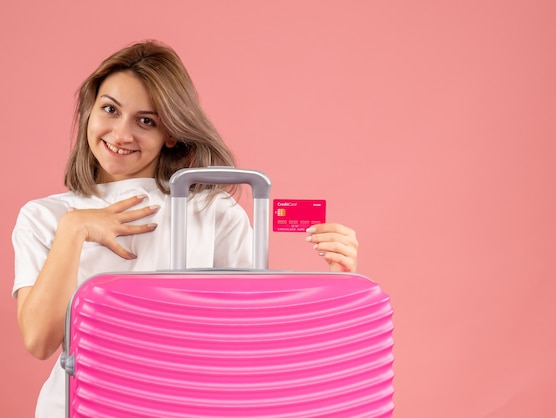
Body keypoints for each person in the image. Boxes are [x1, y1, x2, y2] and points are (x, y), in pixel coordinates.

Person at [12, 40, 358, 417]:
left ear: (171, 133)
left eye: (146, 121)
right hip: (80, 406)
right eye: (110, 110)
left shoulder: (212, 209)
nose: (121, 134)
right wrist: (73, 231)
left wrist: (339, 285)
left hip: (187, 405)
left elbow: (254, 339)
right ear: (90, 112)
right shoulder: (46, 215)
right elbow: (41, 341)